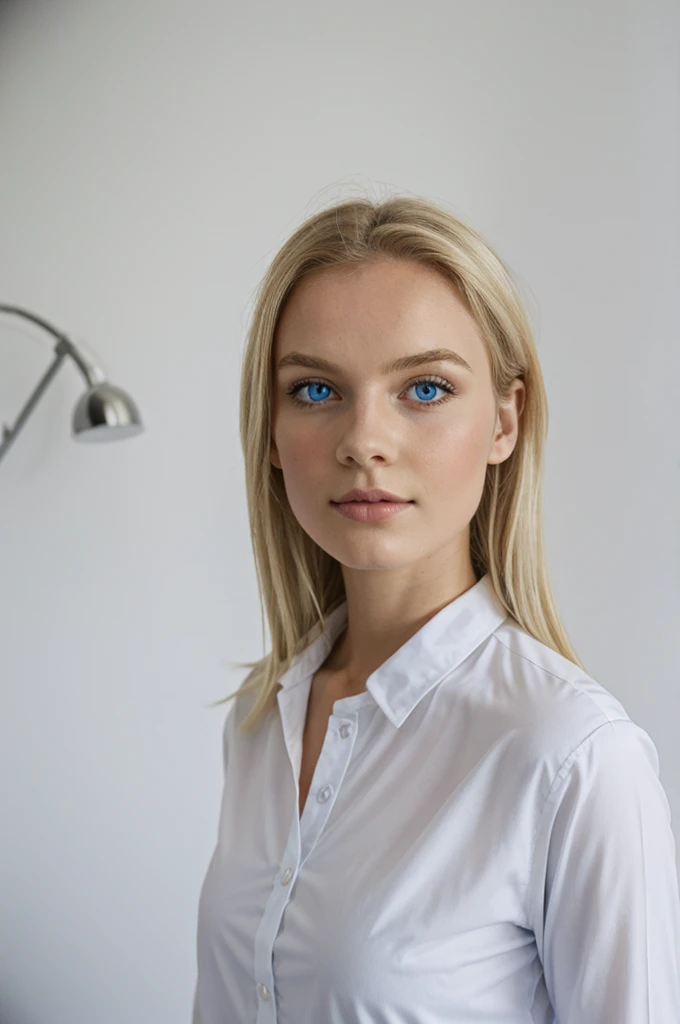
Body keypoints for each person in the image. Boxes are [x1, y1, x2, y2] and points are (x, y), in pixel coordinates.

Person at [192, 194, 680, 1023]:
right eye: (315, 389)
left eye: (423, 387)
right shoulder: (256, 722)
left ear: (504, 420)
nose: (363, 440)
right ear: (270, 433)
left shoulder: (573, 760)